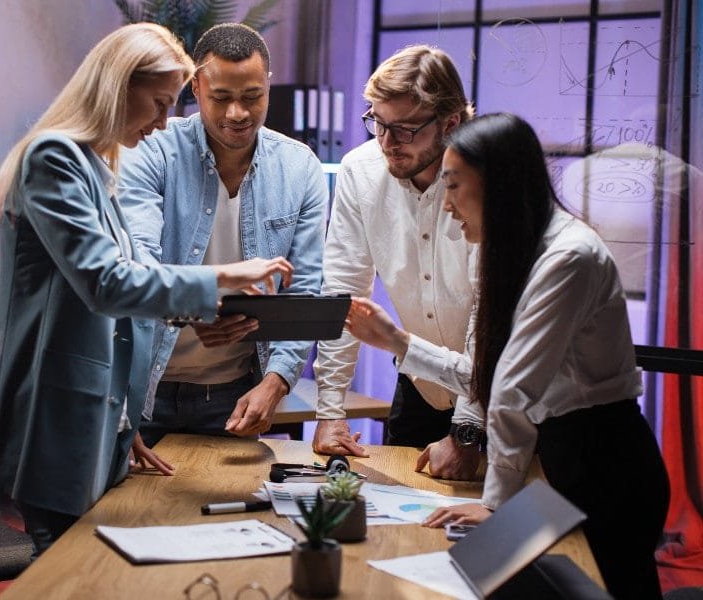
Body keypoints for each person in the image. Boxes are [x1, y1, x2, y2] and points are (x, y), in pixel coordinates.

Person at [0, 23, 295, 557]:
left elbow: (117, 308)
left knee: (89, 569)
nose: (163, 122)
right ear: (117, 87)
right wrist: (224, 277)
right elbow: (107, 284)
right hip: (55, 418)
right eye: (159, 103)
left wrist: (120, 418)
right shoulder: (52, 159)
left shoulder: (96, 166)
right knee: (67, 574)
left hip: (91, 416)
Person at [345, 113, 669, 600]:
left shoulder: (569, 257)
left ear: (498, 184)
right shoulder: (506, 252)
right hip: (559, 454)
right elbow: (484, 377)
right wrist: (396, 341)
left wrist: (496, 507)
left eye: (453, 186)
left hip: (605, 462)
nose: (447, 205)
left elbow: (513, 389)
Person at [119, 23, 328, 450]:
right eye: (221, 98)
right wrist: (203, 304)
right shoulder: (153, 149)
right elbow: (139, 266)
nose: (238, 113)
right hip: (141, 390)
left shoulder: (300, 167)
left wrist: (277, 381)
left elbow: (304, 289)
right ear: (195, 87)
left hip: (235, 393)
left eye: (252, 97)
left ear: (268, 86)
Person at [313, 45, 483, 481]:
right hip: (418, 385)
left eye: (405, 130)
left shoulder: (485, 178)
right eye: (377, 123)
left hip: (490, 398)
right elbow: (343, 289)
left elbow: (490, 328)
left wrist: (467, 431)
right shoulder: (360, 170)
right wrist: (331, 410)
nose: (387, 144)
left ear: (450, 123)